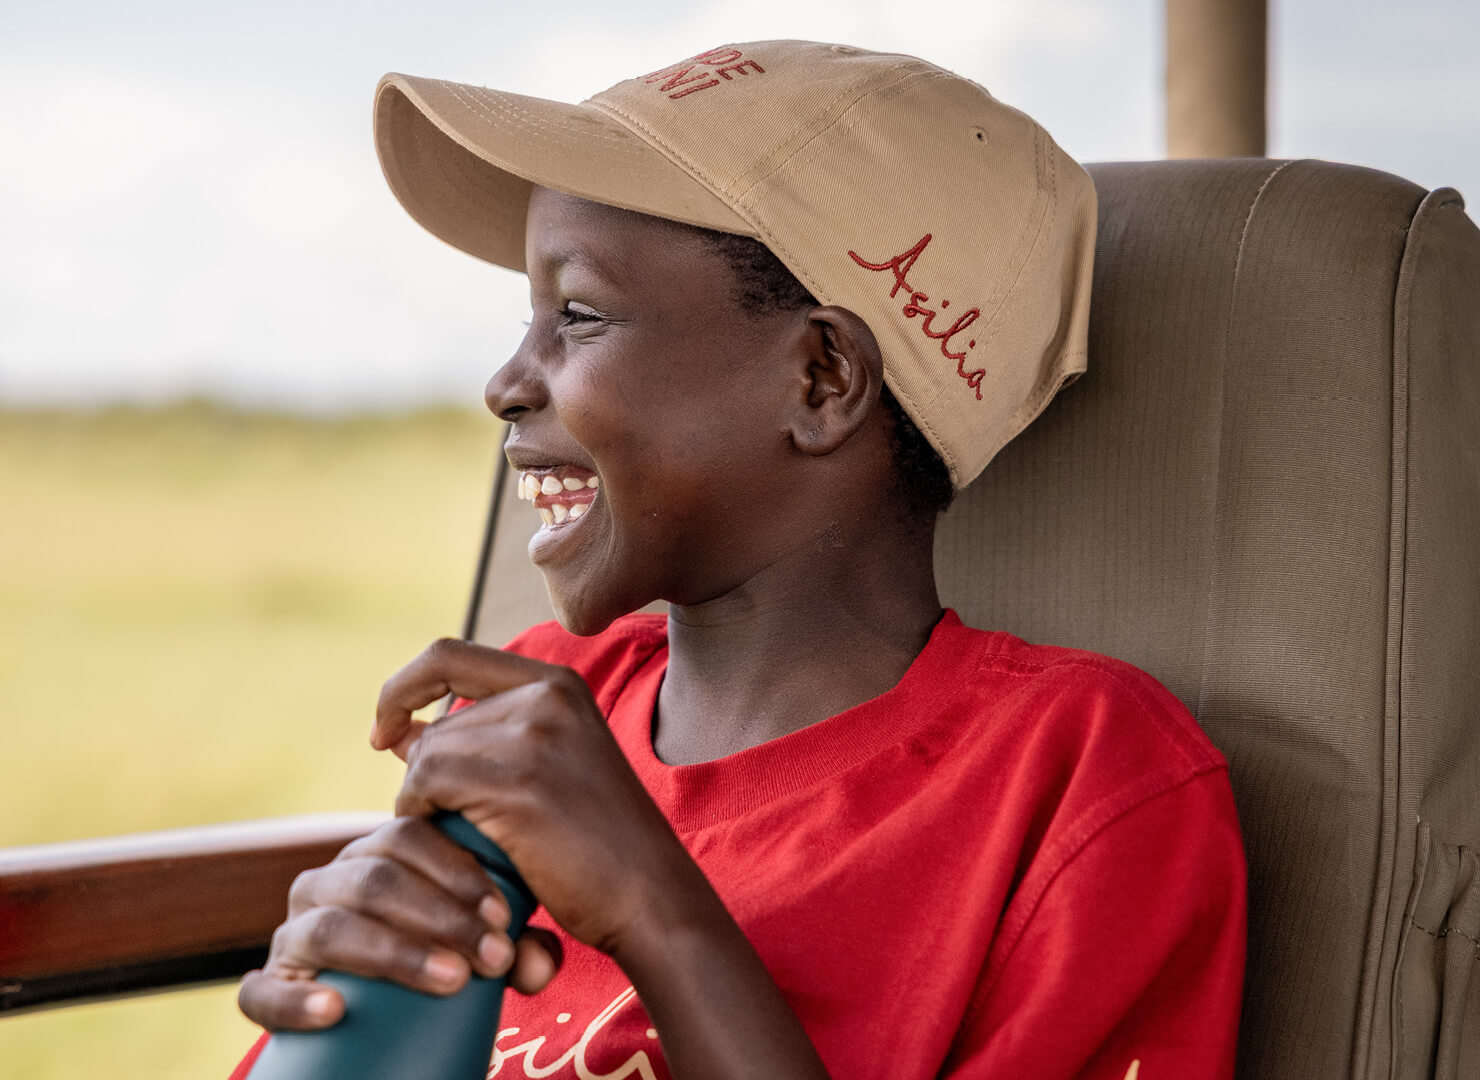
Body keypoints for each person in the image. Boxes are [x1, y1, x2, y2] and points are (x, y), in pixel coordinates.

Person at [231, 41, 1247, 1080]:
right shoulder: (550, 704)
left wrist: (654, 910)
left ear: (820, 378)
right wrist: (333, 1005)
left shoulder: (1078, 775)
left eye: (576, 314)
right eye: (525, 319)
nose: (506, 381)